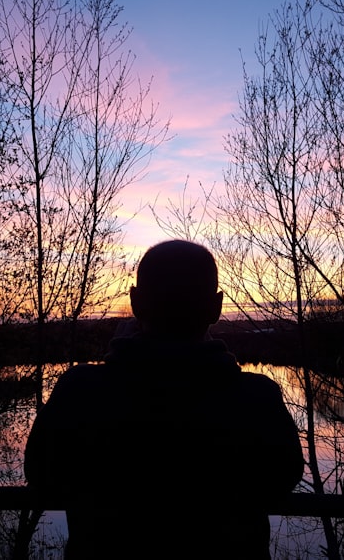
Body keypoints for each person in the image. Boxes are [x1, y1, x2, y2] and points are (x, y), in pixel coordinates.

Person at [24, 239, 304, 559]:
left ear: (136, 303)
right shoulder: (257, 398)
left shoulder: (80, 391)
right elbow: (280, 483)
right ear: (216, 307)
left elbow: (42, 478)